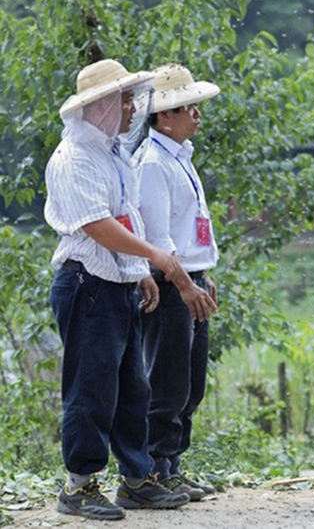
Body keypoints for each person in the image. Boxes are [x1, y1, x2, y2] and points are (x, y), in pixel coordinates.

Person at [45, 59, 217, 521]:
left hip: (117, 283)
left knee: (132, 389)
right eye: (122, 99)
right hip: (87, 285)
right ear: (99, 106)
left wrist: (139, 269)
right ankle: (79, 485)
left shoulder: (113, 153)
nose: (131, 107)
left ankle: (137, 479)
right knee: (90, 388)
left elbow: (126, 216)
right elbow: (98, 227)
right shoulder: (74, 158)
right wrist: (159, 260)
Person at [133, 64, 221, 501]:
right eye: (190, 109)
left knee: (190, 382)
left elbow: (192, 228)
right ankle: (152, 468)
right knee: (166, 382)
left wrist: (204, 276)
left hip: (190, 278)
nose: (197, 116)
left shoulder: (179, 158)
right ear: (164, 116)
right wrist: (187, 284)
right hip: (170, 284)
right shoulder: (152, 164)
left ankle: (173, 464)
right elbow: (159, 240)